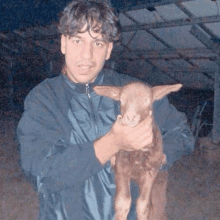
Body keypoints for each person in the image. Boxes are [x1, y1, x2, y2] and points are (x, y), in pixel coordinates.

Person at [17, 0, 195, 219]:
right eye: (77, 40)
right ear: (63, 43)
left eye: (98, 43)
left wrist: (155, 155)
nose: (86, 55)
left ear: (109, 49)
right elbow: (41, 173)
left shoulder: (133, 92)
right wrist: (112, 143)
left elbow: (182, 132)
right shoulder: (44, 100)